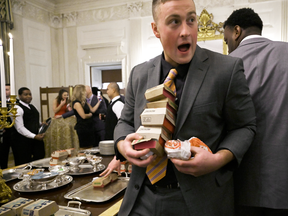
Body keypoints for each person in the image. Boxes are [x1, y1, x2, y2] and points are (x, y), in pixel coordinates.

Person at [113, 0, 256, 215]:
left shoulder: (227, 69)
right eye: (174, 22)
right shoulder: (139, 74)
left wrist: (216, 160)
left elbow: (245, 127)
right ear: (156, 29)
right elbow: (124, 122)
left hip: (198, 201)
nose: (185, 32)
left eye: (191, 20)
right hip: (141, 197)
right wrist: (123, 144)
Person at [223, 8, 288, 216]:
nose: (229, 47)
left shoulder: (227, 65)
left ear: (236, 31)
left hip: (242, 184)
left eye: (226, 40)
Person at [10, 87, 45, 166]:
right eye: (26, 94)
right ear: (20, 96)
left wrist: (40, 124)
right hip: (22, 141)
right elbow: (19, 128)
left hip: (34, 138)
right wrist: (34, 136)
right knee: (24, 163)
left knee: (39, 158)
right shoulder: (17, 108)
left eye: (30, 94)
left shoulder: (31, 106)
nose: (29, 96)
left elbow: (30, 120)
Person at [100, 82, 125, 177]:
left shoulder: (118, 104)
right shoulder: (113, 103)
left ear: (113, 90)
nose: (106, 91)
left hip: (115, 139)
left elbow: (122, 122)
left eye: (108, 89)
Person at [0, 84, 18, 168]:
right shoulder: (0, 102)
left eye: (7, 89)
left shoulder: (17, 102)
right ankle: (4, 170)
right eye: (4, 90)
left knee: (17, 152)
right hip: (4, 131)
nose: (5, 91)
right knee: (4, 152)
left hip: (16, 131)